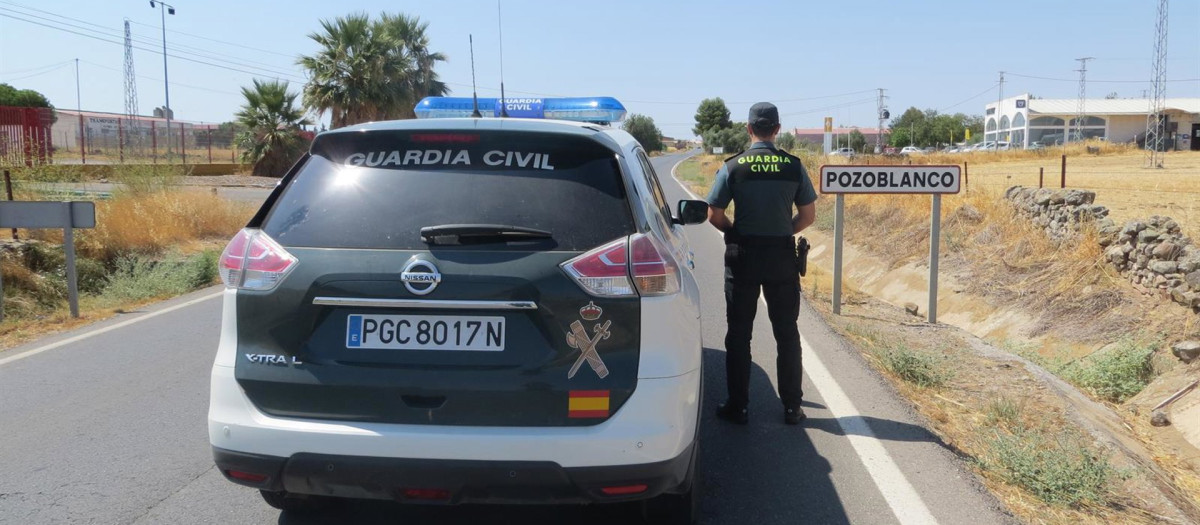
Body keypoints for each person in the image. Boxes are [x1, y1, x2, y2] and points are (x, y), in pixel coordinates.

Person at [706, 102, 817, 425]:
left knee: (739, 334)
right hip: (782, 258)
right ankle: (792, 407)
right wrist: (784, 232)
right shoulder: (793, 166)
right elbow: (808, 216)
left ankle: (738, 406)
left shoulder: (733, 167)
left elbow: (714, 214)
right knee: (787, 333)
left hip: (743, 258)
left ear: (749, 128)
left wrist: (735, 233)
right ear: (778, 129)